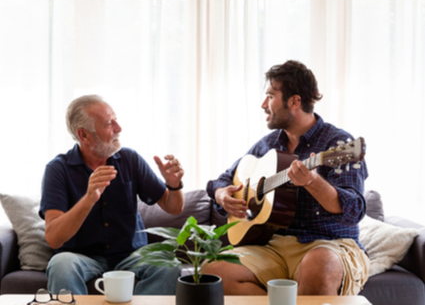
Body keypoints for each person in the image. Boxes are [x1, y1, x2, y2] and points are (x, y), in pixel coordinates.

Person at [205, 60, 370, 296]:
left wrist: (313, 183)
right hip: (270, 245)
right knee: (214, 273)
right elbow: (222, 180)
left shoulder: (339, 144)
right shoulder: (268, 145)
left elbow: (354, 210)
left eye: (270, 96)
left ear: (294, 101)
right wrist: (222, 195)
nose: (263, 104)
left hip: (327, 244)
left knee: (319, 265)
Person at [39, 95, 185, 295]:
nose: (119, 128)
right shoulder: (58, 169)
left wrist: (174, 185)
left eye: (115, 120)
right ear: (84, 135)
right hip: (82, 257)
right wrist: (89, 199)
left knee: (168, 265)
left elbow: (173, 207)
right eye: (109, 123)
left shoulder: (130, 159)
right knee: (60, 264)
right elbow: (54, 238)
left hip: (131, 254)